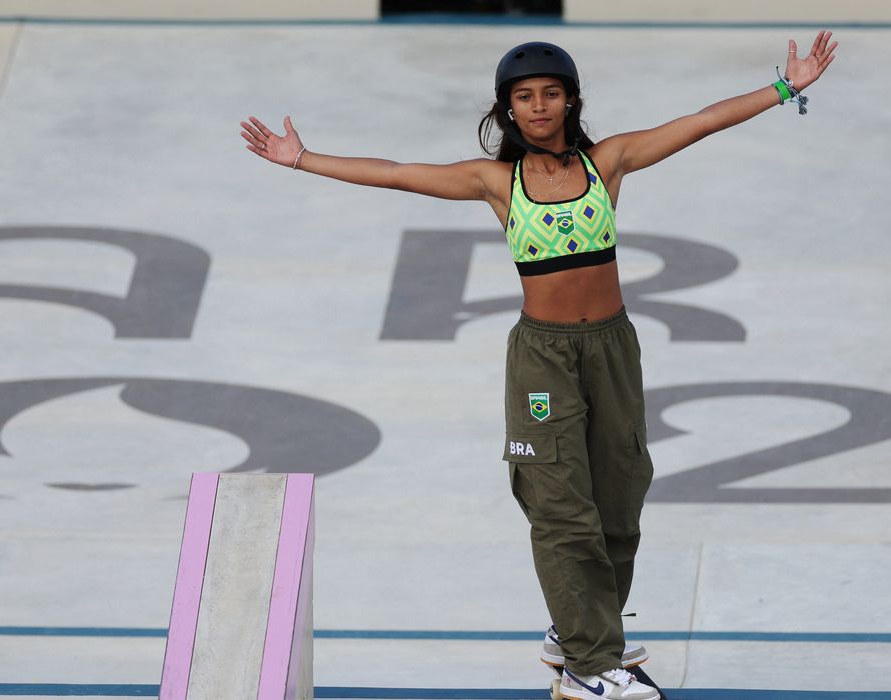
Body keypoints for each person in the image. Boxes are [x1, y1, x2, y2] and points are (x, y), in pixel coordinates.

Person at [240, 32, 837, 700]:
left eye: (550, 93)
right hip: (543, 359)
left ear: (571, 99)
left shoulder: (607, 163)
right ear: (507, 111)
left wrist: (787, 87)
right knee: (560, 509)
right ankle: (588, 667)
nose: (539, 106)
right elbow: (397, 172)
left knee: (621, 498)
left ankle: (575, 628)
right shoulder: (496, 182)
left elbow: (699, 122)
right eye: (524, 98)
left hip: (612, 348)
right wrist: (302, 159)